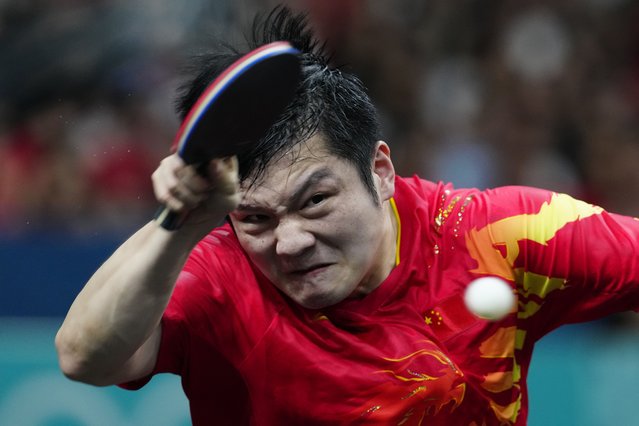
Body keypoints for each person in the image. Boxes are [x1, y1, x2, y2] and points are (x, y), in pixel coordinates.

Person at [55, 6, 639, 425]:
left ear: (380, 171)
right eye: (256, 218)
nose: (289, 243)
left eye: (314, 201)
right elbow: (83, 359)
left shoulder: (498, 238)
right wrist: (178, 224)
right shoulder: (217, 271)